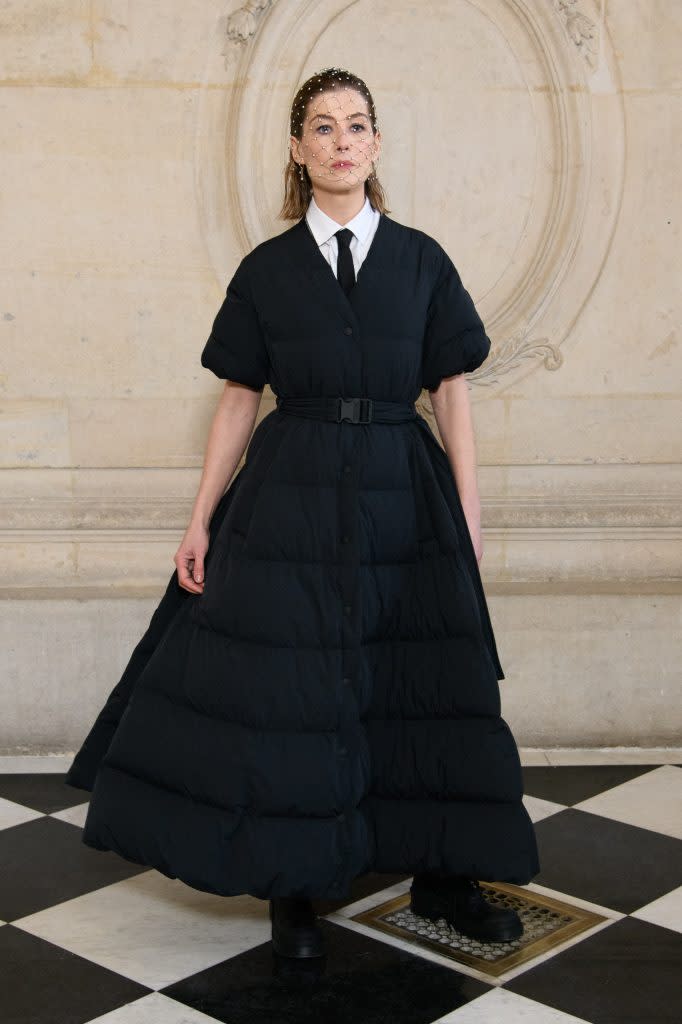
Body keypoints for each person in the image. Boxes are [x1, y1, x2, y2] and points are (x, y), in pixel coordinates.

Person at [65, 67, 540, 961]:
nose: (341, 141)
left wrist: (469, 518)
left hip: (407, 494)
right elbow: (240, 397)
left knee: (426, 689)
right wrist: (199, 517)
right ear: (297, 149)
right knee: (290, 692)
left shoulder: (423, 260)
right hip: (290, 499)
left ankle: (443, 878)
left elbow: (453, 393)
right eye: (321, 127)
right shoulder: (267, 271)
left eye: (356, 125)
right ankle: (293, 886)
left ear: (376, 142)